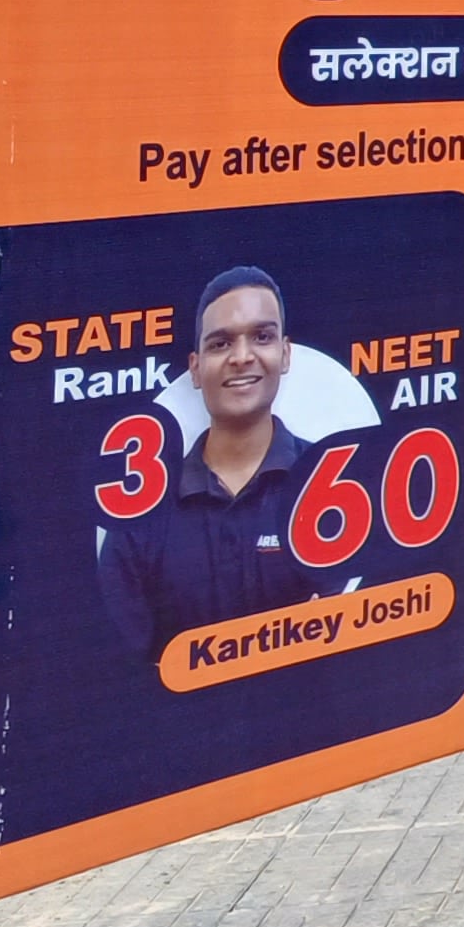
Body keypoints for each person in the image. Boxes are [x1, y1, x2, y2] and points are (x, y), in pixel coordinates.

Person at [97, 267, 329, 658]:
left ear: (285, 354)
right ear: (195, 368)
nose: (242, 357)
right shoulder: (140, 515)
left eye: (262, 337)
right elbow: (121, 668)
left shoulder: (335, 485)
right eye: (220, 344)